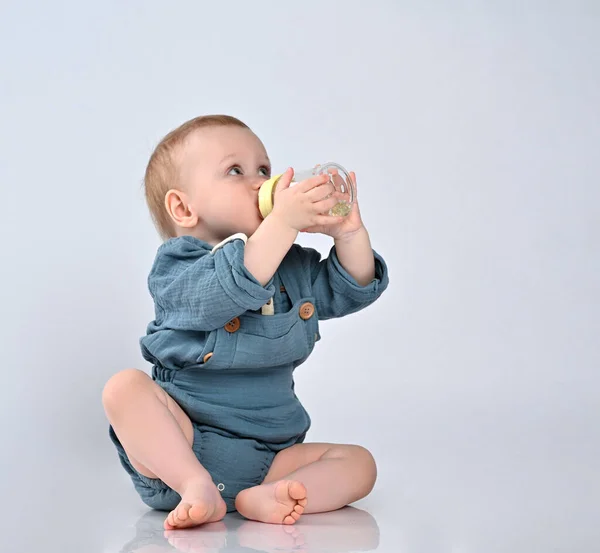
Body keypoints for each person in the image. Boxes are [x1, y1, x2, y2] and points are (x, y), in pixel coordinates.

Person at [102, 115, 389, 530]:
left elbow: (350, 288)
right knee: (124, 388)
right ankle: (195, 486)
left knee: (360, 464)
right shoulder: (178, 267)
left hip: (271, 456)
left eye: (264, 170)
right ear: (183, 208)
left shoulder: (291, 263)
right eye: (235, 171)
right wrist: (283, 224)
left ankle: (267, 497)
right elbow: (228, 286)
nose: (258, 182)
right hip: (183, 445)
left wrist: (349, 234)